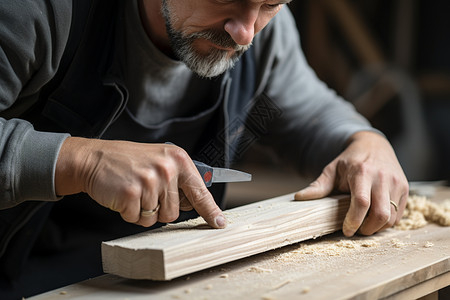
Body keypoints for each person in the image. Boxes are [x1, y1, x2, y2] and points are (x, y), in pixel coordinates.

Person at [0, 0, 408, 298]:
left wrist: (365, 140)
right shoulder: (40, 10)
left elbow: (310, 110)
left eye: (270, 5)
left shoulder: (258, 32)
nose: (245, 32)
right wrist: (82, 162)